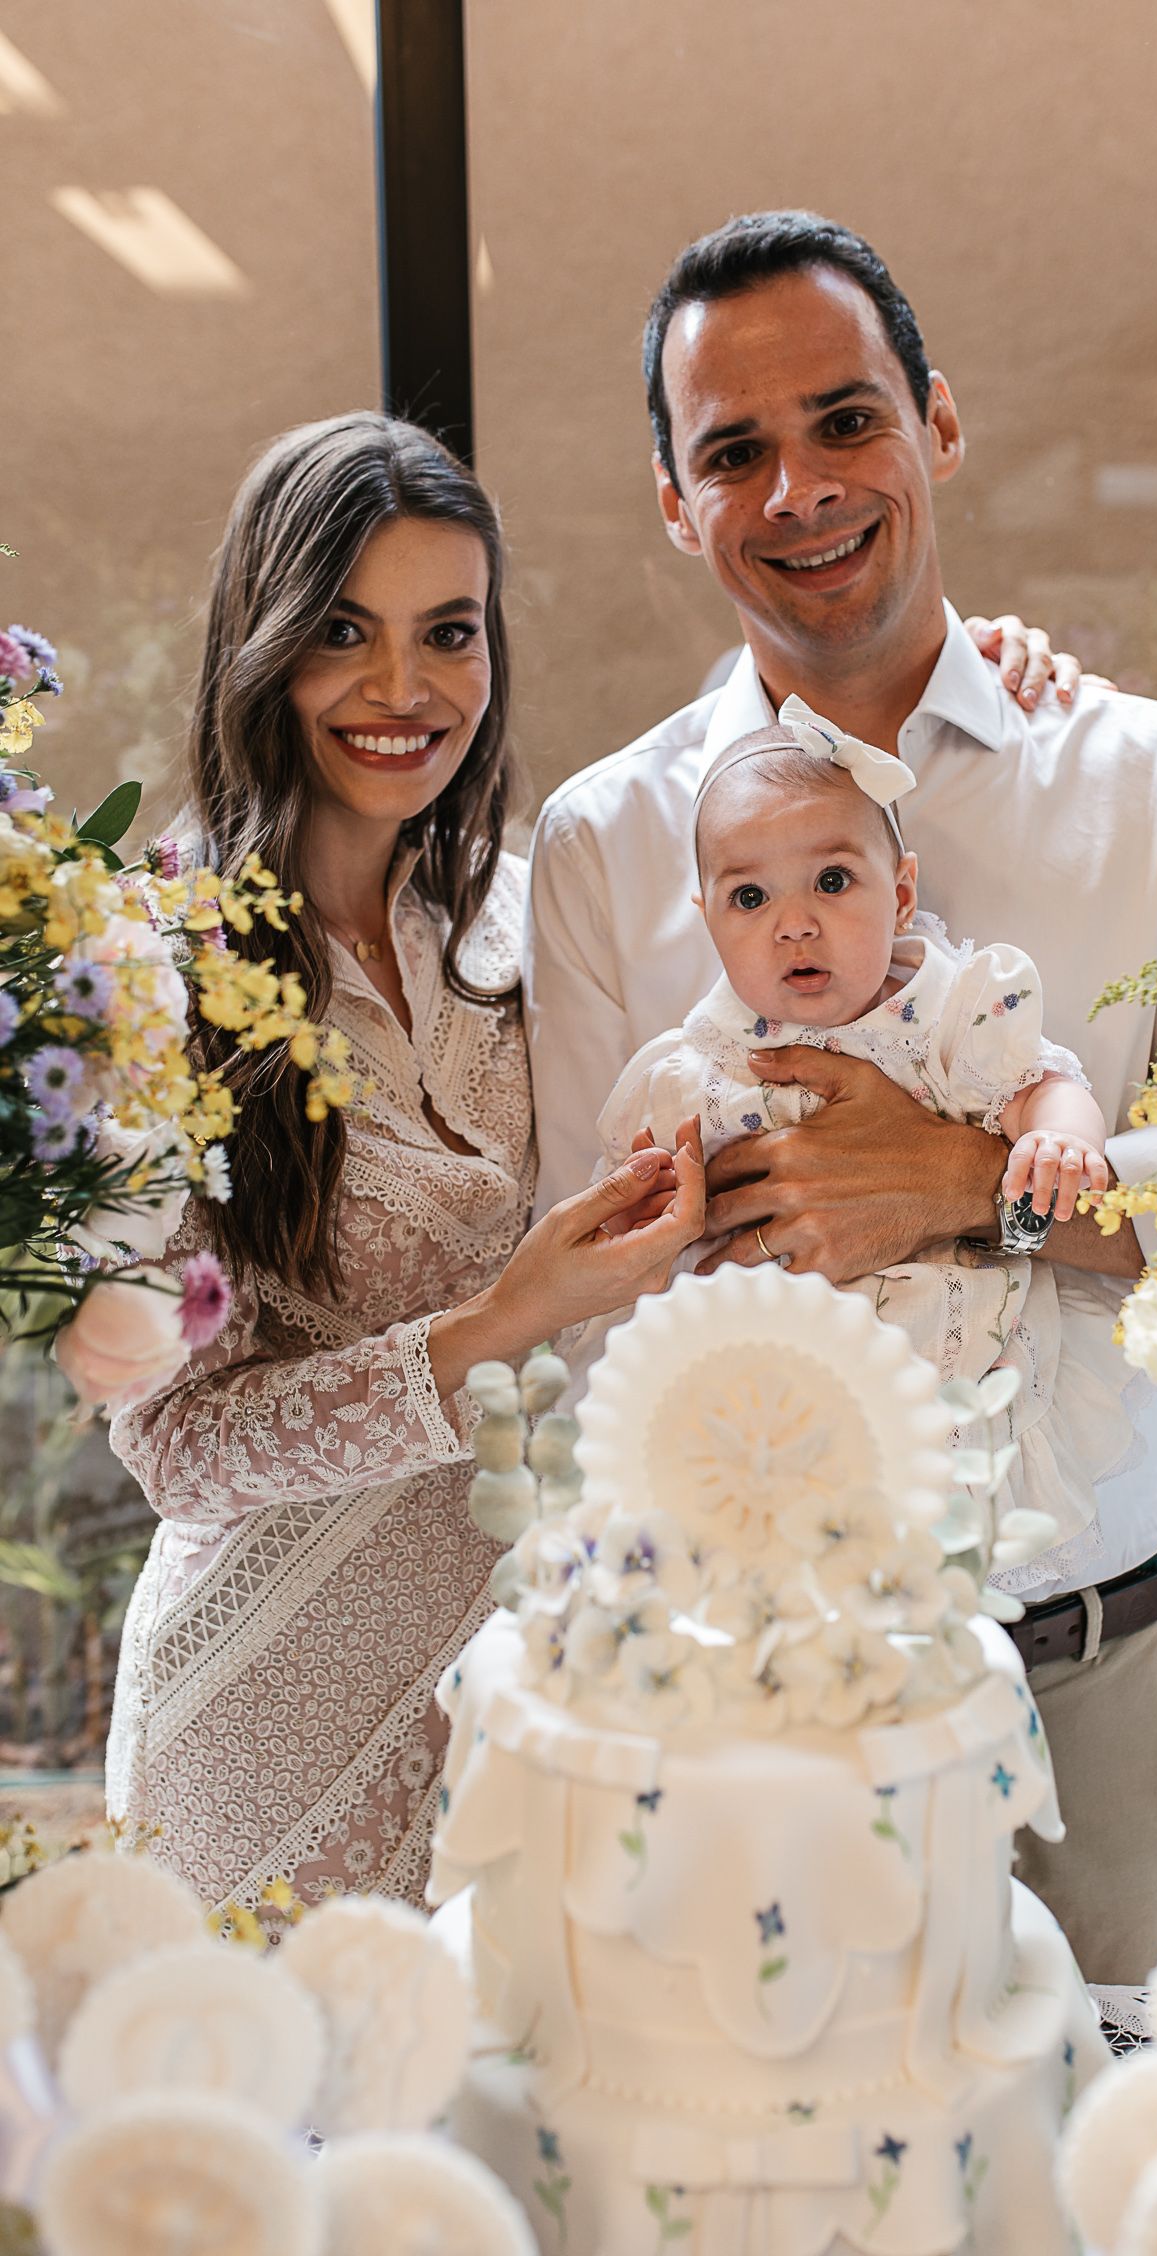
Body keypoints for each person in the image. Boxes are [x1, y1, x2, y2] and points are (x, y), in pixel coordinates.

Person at [523, 211, 1157, 1982]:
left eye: (845, 421)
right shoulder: (605, 844)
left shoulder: (1148, 785)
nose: (799, 489)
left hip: (1088, 1663)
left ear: (938, 422)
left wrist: (961, 1182)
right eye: (734, 451)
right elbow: (575, 1308)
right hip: (746, 1693)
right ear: (671, 499)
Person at [105, 413, 704, 1919]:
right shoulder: (152, 967)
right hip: (260, 1719)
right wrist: (496, 1326)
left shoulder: (517, 920)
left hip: (528, 1698)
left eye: (450, 633)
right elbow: (176, 1448)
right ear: (263, 646)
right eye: (343, 634)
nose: (402, 690)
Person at [589, 702, 1131, 1552]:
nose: (793, 922)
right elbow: (650, 1192)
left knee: (930, 1550)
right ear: (709, 919)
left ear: (902, 892)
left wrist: (1058, 1137)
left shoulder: (948, 1015)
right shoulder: (701, 1065)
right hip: (772, 1378)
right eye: (749, 896)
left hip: (941, 1361)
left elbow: (1040, 1080)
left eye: (832, 882)